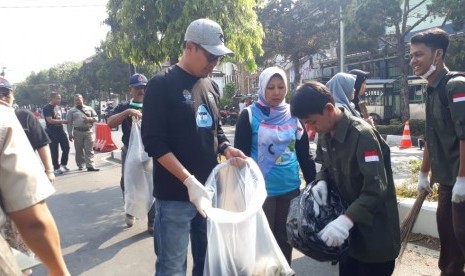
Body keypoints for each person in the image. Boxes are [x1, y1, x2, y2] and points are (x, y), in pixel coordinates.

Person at [141, 18, 247, 276]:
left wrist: (225, 149)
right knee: (172, 267)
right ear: (190, 47)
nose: (214, 63)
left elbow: (214, 129)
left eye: (217, 58)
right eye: (209, 56)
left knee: (208, 261)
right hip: (175, 197)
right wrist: (188, 180)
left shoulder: (210, 85)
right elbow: (154, 142)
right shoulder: (161, 84)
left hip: (209, 194)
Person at [290, 81, 400, 276]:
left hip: (374, 238)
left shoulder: (362, 136)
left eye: (312, 122)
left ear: (329, 109)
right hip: (348, 239)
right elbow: (326, 165)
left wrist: (346, 220)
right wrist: (322, 180)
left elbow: (376, 189)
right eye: (307, 124)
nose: (312, 129)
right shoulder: (326, 133)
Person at [234, 66, 316, 264]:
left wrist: (314, 184)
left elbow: (304, 154)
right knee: (262, 243)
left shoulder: (295, 114)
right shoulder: (249, 115)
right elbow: (240, 158)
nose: (277, 92)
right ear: (262, 88)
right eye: (270, 87)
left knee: (286, 241)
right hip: (261, 193)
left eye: (281, 87)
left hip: (290, 189)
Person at [410, 28, 465, 275]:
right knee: (448, 242)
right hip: (446, 182)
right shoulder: (431, 89)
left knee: (462, 236)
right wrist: (424, 173)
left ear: (438, 54)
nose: (413, 61)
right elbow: (432, 137)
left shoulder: (455, 86)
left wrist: (462, 180)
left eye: (419, 55)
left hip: (461, 181)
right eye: (411, 56)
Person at [0, 103, 70, 276]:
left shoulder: (25, 116)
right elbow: (34, 220)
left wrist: (49, 170)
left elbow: (41, 144)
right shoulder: (4, 117)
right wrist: (59, 271)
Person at [107, 73, 155, 233]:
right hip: (129, 151)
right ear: (131, 89)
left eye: (143, 87)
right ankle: (130, 210)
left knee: (152, 184)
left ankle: (152, 221)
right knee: (127, 182)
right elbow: (110, 122)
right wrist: (127, 112)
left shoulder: (153, 105)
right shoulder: (123, 107)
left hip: (150, 152)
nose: (141, 90)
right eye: (137, 88)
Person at [66, 94, 100, 172]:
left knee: (89, 149)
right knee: (79, 150)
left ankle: (90, 166)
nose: (78, 101)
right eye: (76, 100)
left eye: (79, 99)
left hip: (88, 131)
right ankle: (80, 165)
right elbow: (69, 123)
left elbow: (96, 118)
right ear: (74, 101)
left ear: (82, 100)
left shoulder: (89, 108)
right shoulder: (71, 111)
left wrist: (90, 119)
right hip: (77, 132)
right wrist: (70, 134)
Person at [43, 92, 70, 175]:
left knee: (66, 147)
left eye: (60, 98)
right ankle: (56, 167)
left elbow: (59, 117)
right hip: (52, 131)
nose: (59, 100)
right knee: (54, 150)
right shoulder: (46, 108)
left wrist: (62, 122)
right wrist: (63, 121)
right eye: (57, 98)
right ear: (52, 98)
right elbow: (50, 120)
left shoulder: (58, 107)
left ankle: (63, 164)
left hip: (60, 130)